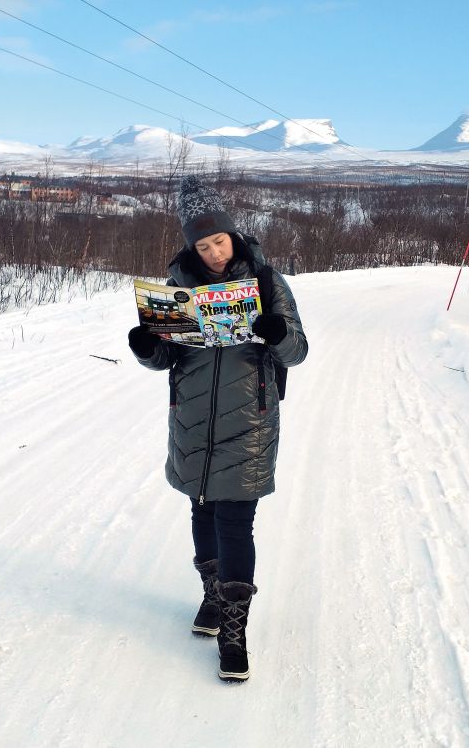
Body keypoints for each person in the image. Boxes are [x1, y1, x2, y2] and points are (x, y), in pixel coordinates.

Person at [128, 175, 308, 682]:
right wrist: (147, 347)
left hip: (249, 421)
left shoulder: (267, 281)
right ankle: (210, 597)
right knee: (201, 509)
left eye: (219, 240)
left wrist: (276, 335)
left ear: (234, 234)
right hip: (190, 422)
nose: (212, 252)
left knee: (233, 521)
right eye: (201, 244)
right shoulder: (178, 287)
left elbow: (298, 350)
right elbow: (166, 358)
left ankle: (234, 629)